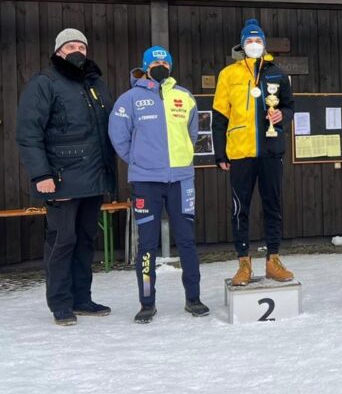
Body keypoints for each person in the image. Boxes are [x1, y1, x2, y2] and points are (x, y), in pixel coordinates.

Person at [16, 28, 116, 326]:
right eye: (71, 46)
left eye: (82, 47)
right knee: (63, 240)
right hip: (60, 178)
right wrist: (41, 174)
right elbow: (28, 133)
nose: (77, 51)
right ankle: (60, 303)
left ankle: (81, 298)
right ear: (59, 51)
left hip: (94, 177)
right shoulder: (45, 83)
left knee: (86, 239)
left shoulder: (95, 84)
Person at [109, 46, 208, 323]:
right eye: (155, 61)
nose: (161, 63)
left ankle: (193, 298)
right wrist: (140, 161)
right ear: (145, 66)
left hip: (181, 180)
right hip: (145, 182)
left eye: (165, 60)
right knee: (148, 244)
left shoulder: (184, 96)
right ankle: (147, 302)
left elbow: (192, 133)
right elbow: (119, 137)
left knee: (187, 241)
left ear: (171, 66)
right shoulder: (129, 99)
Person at [213, 19, 295, 285]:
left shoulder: (277, 73)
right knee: (240, 209)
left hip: (271, 150)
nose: (254, 45)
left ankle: (273, 259)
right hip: (240, 152)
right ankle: (243, 263)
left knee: (273, 206)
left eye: (258, 40)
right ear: (242, 44)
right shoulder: (228, 74)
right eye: (249, 41)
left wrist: (283, 114)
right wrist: (220, 154)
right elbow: (219, 117)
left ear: (264, 44)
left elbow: (290, 106)